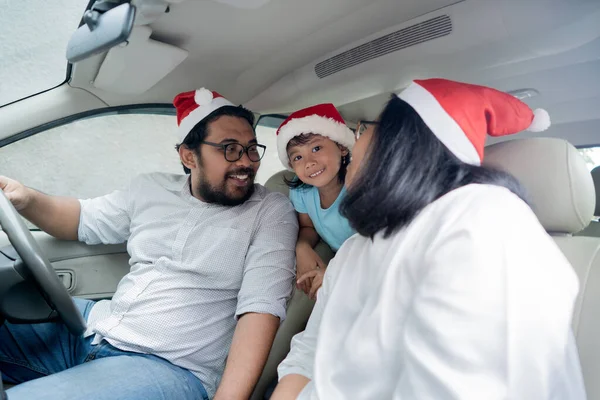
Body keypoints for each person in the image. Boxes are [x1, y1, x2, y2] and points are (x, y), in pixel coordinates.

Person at [272, 79, 586, 399]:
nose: (358, 138)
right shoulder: (355, 249)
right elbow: (310, 352)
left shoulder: (482, 219)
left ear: (404, 142)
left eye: (365, 128)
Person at [0, 88, 299, 400]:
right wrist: (26, 198)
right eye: (229, 149)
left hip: (168, 367)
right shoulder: (149, 188)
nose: (246, 163)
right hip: (92, 328)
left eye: (252, 149)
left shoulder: (271, 211)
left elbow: (260, 310)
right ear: (188, 155)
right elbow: (79, 219)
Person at [276, 104, 356, 299]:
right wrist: (302, 247)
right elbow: (308, 227)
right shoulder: (301, 191)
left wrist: (334, 274)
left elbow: (378, 246)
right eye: (298, 157)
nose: (308, 162)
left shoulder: (359, 186)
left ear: (342, 148)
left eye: (316, 148)